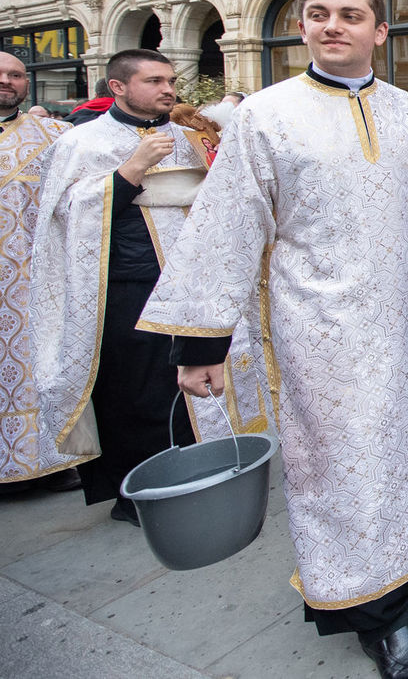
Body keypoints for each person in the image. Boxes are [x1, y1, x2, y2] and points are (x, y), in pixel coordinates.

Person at [137, 0, 408, 679]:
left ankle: (397, 562)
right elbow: (227, 224)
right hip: (317, 330)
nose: (334, 25)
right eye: (320, 13)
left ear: (379, 31)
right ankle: (378, 617)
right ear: (303, 26)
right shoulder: (265, 116)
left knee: (393, 453)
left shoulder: (407, 112)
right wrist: (202, 340)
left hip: (401, 321)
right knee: (337, 465)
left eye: (351, 15)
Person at [31, 49, 259, 524]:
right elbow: (64, 217)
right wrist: (129, 171)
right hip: (125, 287)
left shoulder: (188, 137)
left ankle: (204, 471)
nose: (167, 89)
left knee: (195, 382)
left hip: (190, 282)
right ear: (118, 86)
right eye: (154, 80)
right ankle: (141, 493)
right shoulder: (83, 142)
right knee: (135, 392)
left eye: (170, 80)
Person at [0, 53, 87, 494]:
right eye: (0, 75)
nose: (8, 81)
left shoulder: (56, 135)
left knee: (42, 364)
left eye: (15, 75)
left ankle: (53, 462)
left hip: (35, 280)